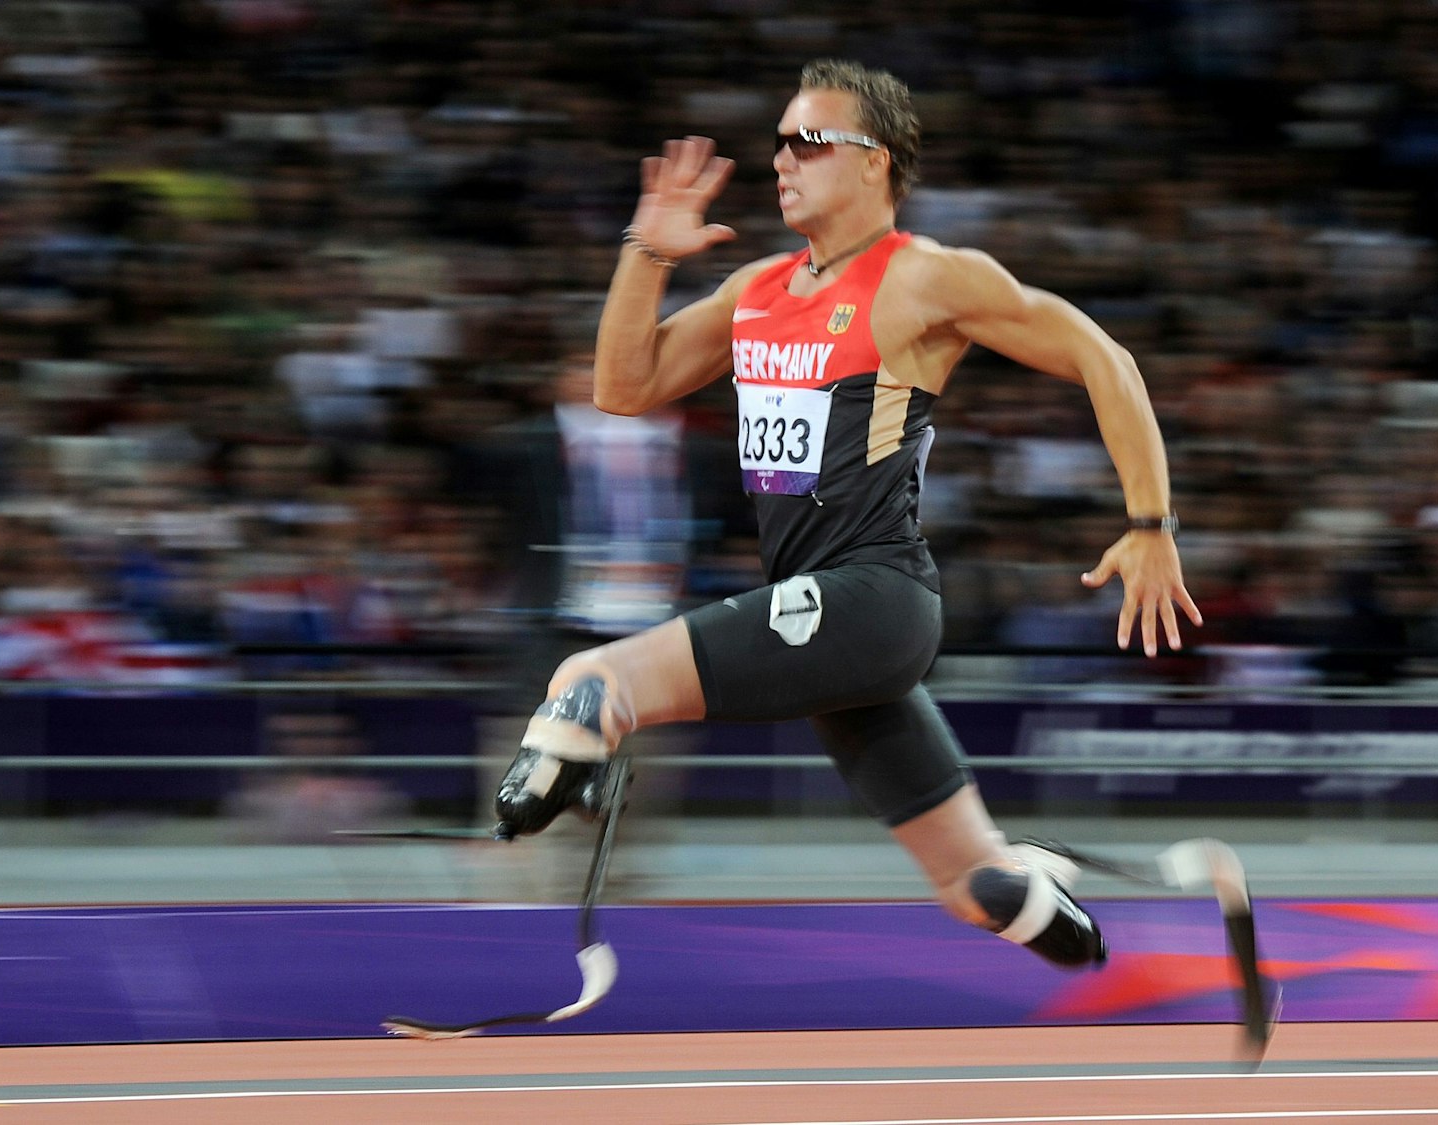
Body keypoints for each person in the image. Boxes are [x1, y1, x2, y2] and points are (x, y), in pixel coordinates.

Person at [493, 59, 1201, 970]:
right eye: (780, 142)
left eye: (809, 141)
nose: (782, 158)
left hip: (874, 598)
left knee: (594, 680)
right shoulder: (756, 291)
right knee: (970, 885)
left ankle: (560, 761)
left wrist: (1151, 528)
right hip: (825, 628)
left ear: (876, 163)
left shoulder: (925, 280)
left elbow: (1107, 360)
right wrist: (648, 252)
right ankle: (1034, 901)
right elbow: (621, 387)